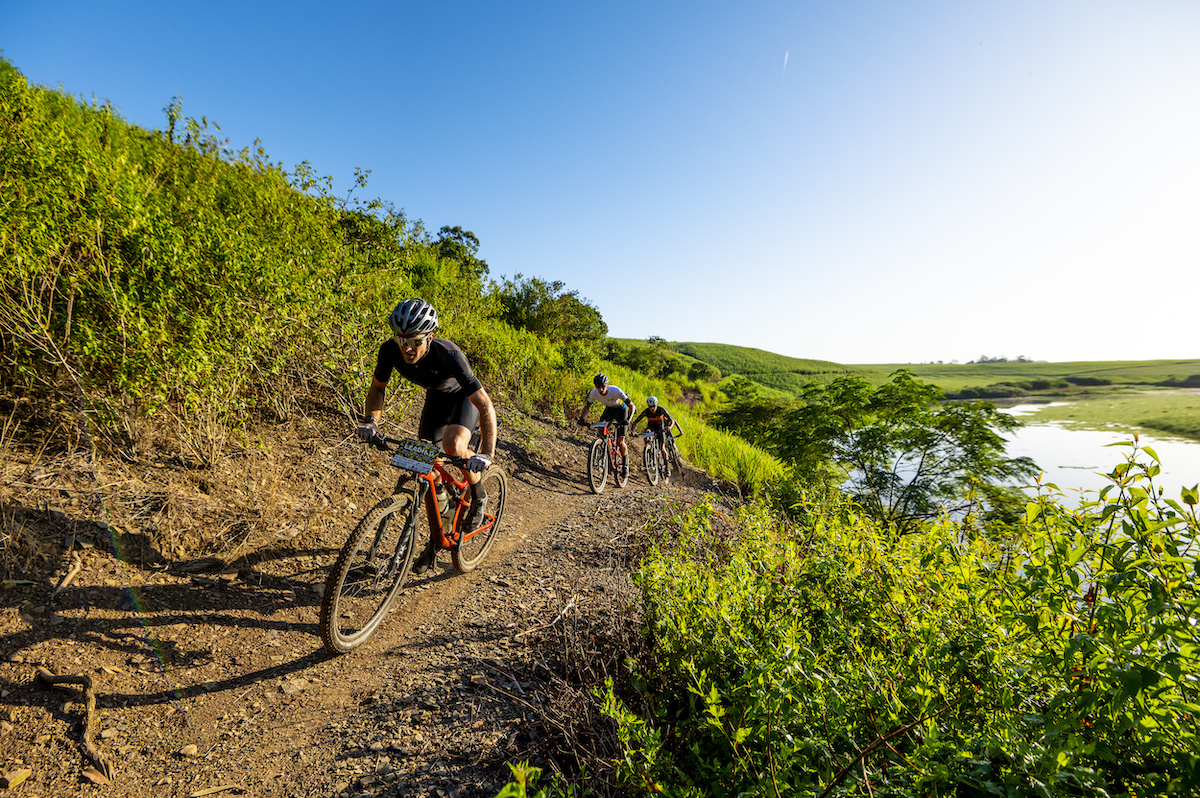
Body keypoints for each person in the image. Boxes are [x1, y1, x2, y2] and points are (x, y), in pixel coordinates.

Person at [355, 298, 497, 575]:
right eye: (402, 339)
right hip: (436, 398)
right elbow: (377, 388)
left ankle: (479, 494)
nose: (407, 347)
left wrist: (487, 454)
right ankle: (440, 529)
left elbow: (485, 405)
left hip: (462, 399)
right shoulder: (390, 350)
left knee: (453, 446)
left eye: (415, 341)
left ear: (429, 337)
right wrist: (372, 421)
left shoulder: (449, 354)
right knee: (424, 466)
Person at [577, 374, 635, 477]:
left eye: (602, 386)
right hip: (609, 410)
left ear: (607, 385)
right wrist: (582, 418)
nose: (600, 389)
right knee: (600, 429)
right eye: (597, 386)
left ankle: (625, 465)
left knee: (620, 441)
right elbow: (587, 407)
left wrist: (628, 420)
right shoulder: (594, 393)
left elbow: (631, 406)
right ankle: (604, 448)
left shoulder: (615, 390)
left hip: (622, 410)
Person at [630, 395, 683, 477]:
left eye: (654, 406)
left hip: (660, 429)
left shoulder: (661, 410)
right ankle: (649, 448)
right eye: (650, 407)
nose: (652, 409)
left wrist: (669, 427)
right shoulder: (646, 412)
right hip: (651, 427)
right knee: (646, 432)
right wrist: (632, 430)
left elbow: (672, 420)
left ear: (657, 404)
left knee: (662, 448)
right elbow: (635, 422)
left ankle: (666, 468)